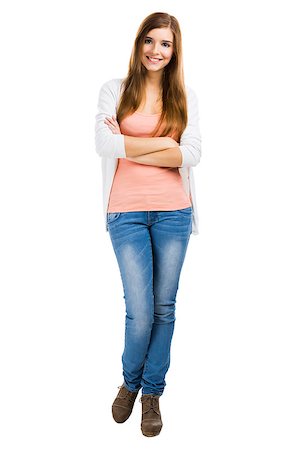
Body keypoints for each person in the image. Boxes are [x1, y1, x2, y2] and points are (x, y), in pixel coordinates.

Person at [94, 11, 202, 437]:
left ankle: (152, 393)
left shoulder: (186, 96)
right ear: (139, 43)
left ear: (174, 52)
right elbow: (103, 143)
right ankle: (129, 381)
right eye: (151, 41)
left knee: (163, 307)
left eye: (166, 44)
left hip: (174, 211)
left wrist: (130, 146)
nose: (156, 51)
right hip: (126, 210)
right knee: (139, 312)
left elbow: (190, 155)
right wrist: (163, 143)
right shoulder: (114, 91)